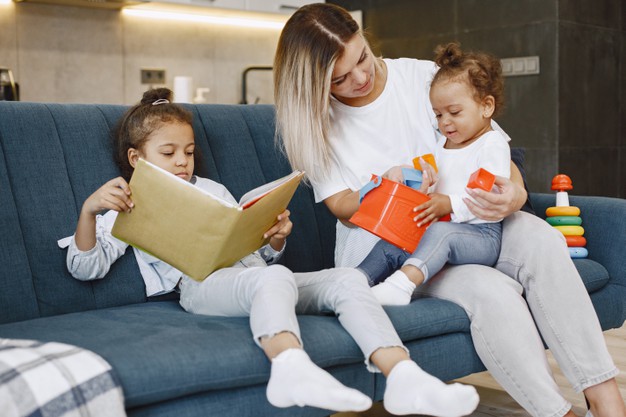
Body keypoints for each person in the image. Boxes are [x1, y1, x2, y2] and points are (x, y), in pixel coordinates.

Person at [273, 4, 626, 417]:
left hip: (464, 222)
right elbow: (343, 208)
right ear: (315, 84)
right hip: (391, 245)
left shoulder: (423, 78)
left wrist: (514, 191)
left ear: (365, 38)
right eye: (340, 79)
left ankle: (606, 400)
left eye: (362, 57)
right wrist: (387, 184)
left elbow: (493, 147)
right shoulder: (317, 122)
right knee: (491, 290)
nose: (362, 77)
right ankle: (557, 413)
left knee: (540, 236)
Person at [59, 88, 481, 417]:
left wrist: (273, 239)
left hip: (252, 279)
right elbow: (84, 267)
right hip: (200, 286)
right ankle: (289, 367)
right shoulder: (128, 202)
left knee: (348, 279)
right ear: (136, 158)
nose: (182, 162)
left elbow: (257, 261)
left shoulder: (214, 191)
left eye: (188, 153)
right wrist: (88, 211)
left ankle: (403, 376)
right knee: (271, 279)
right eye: (167, 154)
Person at [358, 42, 511, 306]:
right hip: (447, 226)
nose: (444, 122)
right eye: (438, 114)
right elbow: (443, 185)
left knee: (442, 234)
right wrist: (426, 185)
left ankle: (401, 285)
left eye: (454, 112)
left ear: (486, 107)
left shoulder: (491, 144)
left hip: (481, 235)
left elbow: (488, 194)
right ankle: (353, 282)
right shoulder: (443, 143)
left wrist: (447, 203)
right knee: (394, 239)